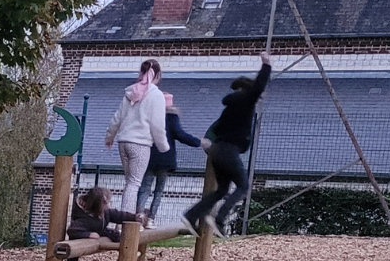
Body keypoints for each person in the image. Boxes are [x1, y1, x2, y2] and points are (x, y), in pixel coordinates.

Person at [183, 60, 272, 234]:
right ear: (250, 91)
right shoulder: (246, 101)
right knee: (243, 186)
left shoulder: (230, 107)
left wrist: (209, 143)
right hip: (228, 151)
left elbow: (216, 127)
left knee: (222, 189)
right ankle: (220, 220)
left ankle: (190, 216)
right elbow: (259, 86)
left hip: (218, 151)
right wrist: (266, 64)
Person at [104, 60, 169, 216]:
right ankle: (125, 221)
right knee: (134, 184)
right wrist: (163, 147)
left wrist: (110, 136)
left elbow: (117, 118)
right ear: (158, 75)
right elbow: (158, 125)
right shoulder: (156, 95)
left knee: (129, 183)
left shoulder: (130, 92)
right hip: (140, 144)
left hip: (123, 142)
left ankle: (124, 219)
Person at [135, 92, 202, 222]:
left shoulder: (148, 116)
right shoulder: (171, 117)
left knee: (144, 189)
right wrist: (197, 142)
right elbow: (180, 134)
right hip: (166, 159)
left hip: (149, 157)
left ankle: (139, 214)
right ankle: (151, 218)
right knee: (159, 191)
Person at [58, 187, 140, 261]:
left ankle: (130, 251)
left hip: (98, 230)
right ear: (98, 205)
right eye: (106, 203)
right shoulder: (84, 218)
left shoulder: (105, 212)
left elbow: (118, 215)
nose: (108, 205)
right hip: (81, 238)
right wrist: (89, 234)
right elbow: (72, 230)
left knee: (115, 234)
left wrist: (135, 217)